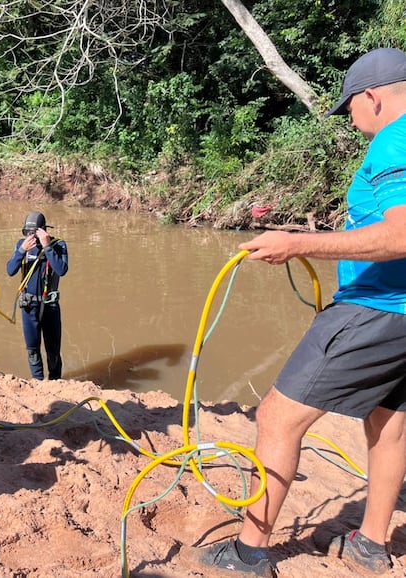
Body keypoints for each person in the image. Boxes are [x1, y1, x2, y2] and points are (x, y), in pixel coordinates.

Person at [181, 47, 406, 577]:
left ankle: (250, 553)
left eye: (350, 106)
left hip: (377, 307)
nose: (350, 118)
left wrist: (298, 243)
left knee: (277, 417)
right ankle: (370, 545)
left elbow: (401, 235)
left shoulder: (394, 140)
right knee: (389, 422)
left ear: (373, 97)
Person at [6, 211, 69, 379]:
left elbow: (61, 270)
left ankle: (55, 381)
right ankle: (38, 383)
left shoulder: (58, 245)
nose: (31, 236)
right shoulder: (22, 245)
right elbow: (10, 270)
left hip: (50, 306)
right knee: (32, 350)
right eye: (28, 232)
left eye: (34, 232)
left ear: (43, 230)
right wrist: (21, 251)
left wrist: (47, 246)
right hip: (29, 306)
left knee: (53, 351)